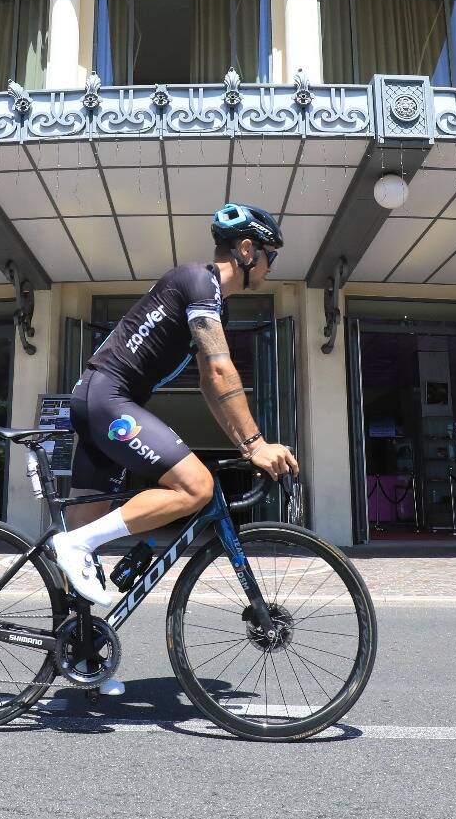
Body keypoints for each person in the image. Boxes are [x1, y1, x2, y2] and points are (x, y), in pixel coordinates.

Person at [49, 203, 302, 661]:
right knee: (196, 486)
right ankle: (74, 544)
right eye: (271, 255)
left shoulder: (210, 298)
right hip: (110, 400)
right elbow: (221, 369)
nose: (272, 266)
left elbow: (208, 383)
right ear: (247, 249)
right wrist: (257, 444)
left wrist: (244, 445)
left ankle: (77, 657)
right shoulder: (200, 282)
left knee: (84, 555)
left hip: (100, 400)